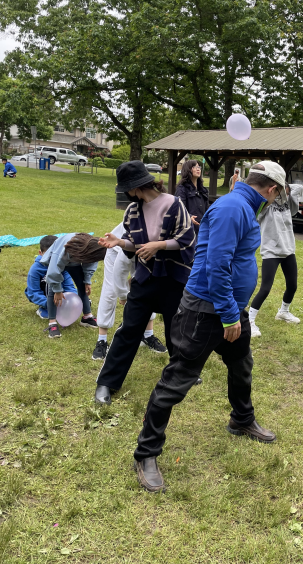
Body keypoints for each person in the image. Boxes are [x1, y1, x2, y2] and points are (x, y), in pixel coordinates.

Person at [132, 161, 284, 493]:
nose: (275, 200)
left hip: (230, 308)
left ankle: (241, 419)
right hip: (207, 311)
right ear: (272, 190)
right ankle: (146, 453)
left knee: (241, 365)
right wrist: (229, 315)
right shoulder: (233, 208)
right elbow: (216, 265)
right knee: (177, 380)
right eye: (277, 195)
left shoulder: (242, 205)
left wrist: (234, 312)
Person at [94, 161, 196, 404]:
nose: (126, 193)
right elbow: (135, 244)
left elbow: (187, 239)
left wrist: (158, 245)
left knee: (176, 328)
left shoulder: (174, 203)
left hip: (173, 278)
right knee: (129, 329)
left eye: (126, 188)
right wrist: (119, 242)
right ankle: (106, 382)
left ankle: (183, 372)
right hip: (144, 277)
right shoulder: (132, 211)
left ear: (135, 186)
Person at [92, 222, 164, 361]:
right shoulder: (139, 229)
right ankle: (102, 340)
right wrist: (123, 295)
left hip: (144, 251)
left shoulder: (171, 230)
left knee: (147, 288)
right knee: (110, 291)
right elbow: (120, 270)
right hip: (118, 249)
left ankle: (147, 335)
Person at [249, 182, 303, 337]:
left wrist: (285, 187)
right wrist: (274, 190)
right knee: (265, 288)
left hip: (288, 250)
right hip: (271, 251)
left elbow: (299, 187)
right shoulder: (264, 206)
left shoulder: (288, 204)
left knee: (292, 285)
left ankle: (283, 312)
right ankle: (250, 320)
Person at [41, 233, 105, 338]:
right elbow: (54, 271)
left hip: (74, 261)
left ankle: (87, 317)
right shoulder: (67, 249)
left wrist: (87, 280)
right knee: (53, 290)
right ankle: (52, 323)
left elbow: (91, 262)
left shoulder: (92, 250)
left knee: (82, 286)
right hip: (58, 259)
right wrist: (58, 290)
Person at [25, 235, 76, 319]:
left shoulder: (62, 266)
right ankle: (44, 308)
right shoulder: (35, 270)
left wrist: (73, 299)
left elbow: (69, 286)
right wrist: (48, 303)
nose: (52, 259)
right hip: (45, 298)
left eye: (55, 255)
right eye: (49, 255)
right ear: (40, 253)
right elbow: (33, 292)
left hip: (61, 296)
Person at [174, 159, 209, 232]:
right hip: (188, 230)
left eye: (199, 167)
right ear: (188, 169)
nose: (198, 169)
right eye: (195, 167)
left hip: (202, 230)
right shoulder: (182, 189)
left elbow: (207, 210)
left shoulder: (203, 190)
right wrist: (189, 217)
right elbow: (179, 209)